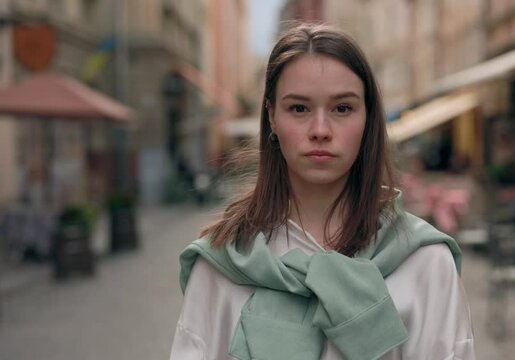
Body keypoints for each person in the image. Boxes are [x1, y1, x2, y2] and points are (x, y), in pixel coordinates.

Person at [170, 23, 475, 360]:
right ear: (271, 116)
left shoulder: (425, 262)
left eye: (342, 108)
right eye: (299, 108)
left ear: (367, 118)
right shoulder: (221, 263)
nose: (320, 130)